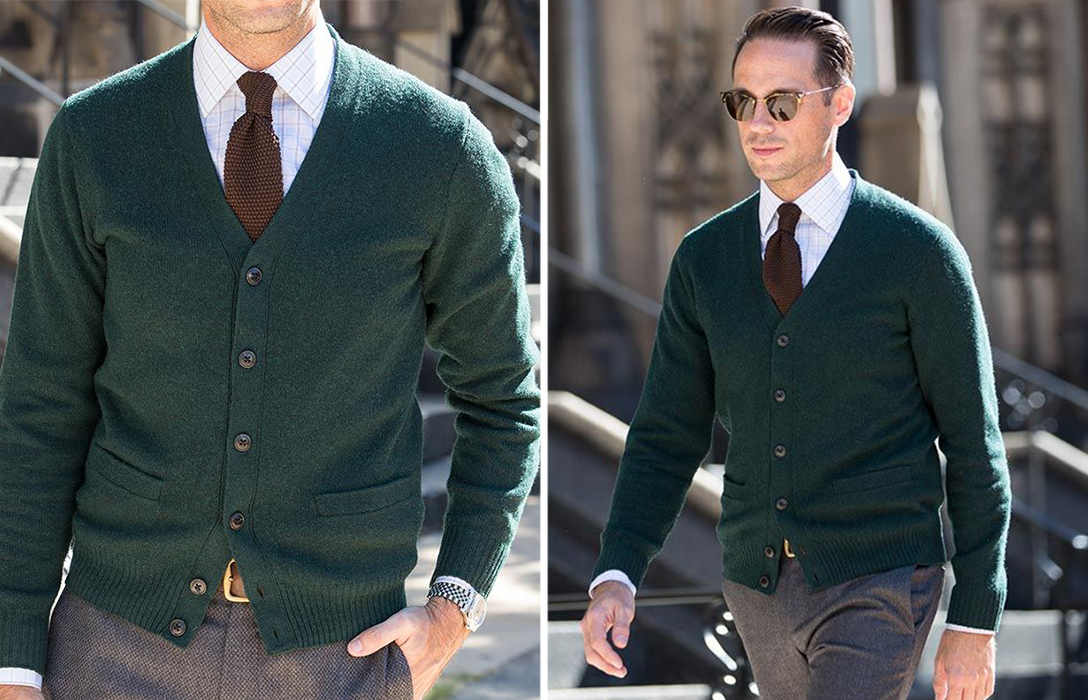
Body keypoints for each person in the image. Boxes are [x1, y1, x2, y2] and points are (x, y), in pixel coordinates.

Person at [0, 1, 539, 699]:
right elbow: (39, 409)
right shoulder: (94, 136)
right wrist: (13, 656)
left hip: (340, 660)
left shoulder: (439, 149)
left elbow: (502, 400)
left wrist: (455, 605)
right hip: (112, 652)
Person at [579, 7, 1008, 700]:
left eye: (781, 102)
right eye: (742, 101)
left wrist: (976, 615)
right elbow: (665, 434)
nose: (757, 122)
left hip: (883, 579)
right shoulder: (704, 260)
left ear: (840, 104)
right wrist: (618, 571)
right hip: (757, 587)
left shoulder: (919, 255)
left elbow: (972, 443)